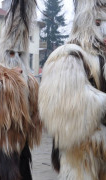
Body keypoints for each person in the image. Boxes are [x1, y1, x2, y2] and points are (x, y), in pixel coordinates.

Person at [39, 0, 106, 179]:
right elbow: (67, 108)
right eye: (98, 24)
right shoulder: (69, 55)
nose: (104, 32)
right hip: (82, 153)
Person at [0, 0, 42, 179]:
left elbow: (33, 113)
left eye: (20, 55)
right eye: (12, 54)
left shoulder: (28, 78)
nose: (16, 59)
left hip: (20, 142)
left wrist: (29, 84)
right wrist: (10, 75)